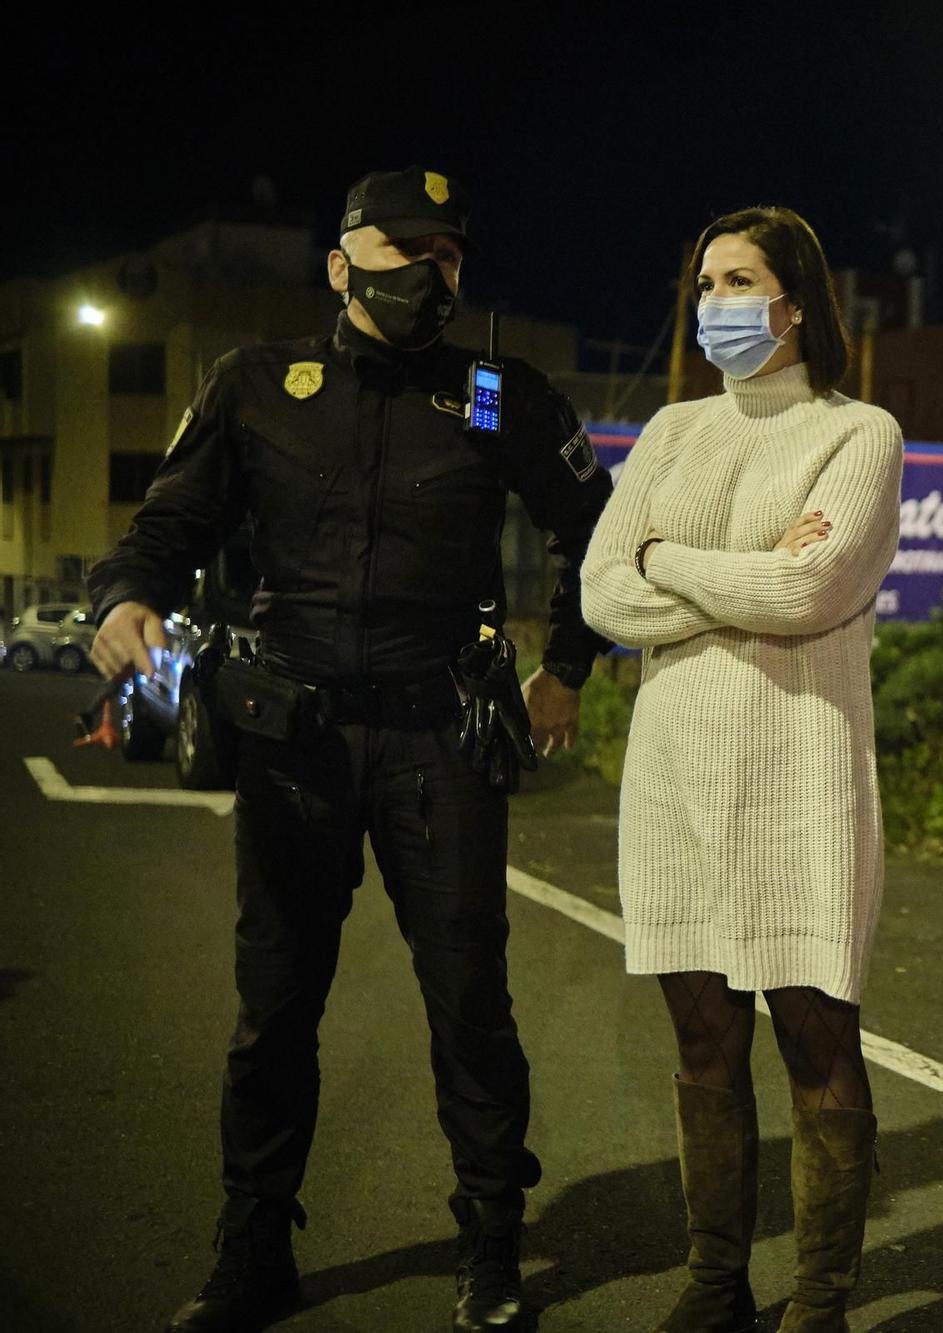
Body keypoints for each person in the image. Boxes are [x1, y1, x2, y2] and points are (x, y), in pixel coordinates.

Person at [87, 167, 613, 1333]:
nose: (428, 270)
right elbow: (170, 523)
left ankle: (491, 1246)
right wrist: (127, 596)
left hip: (443, 735)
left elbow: (596, 531)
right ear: (340, 264)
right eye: (401, 248)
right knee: (274, 1008)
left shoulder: (490, 394)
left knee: (469, 999)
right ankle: (253, 1248)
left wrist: (566, 667)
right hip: (297, 741)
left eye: (447, 252)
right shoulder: (259, 385)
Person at [579, 206, 903, 1333]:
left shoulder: (858, 434)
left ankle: (817, 1304)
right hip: (673, 779)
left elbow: (807, 593)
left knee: (816, 1036)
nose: (717, 300)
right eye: (705, 281)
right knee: (702, 1038)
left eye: (740, 279)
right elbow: (600, 590)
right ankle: (715, 1283)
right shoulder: (669, 431)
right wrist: (709, 565)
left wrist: (663, 565)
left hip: (798, 779)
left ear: (795, 301)